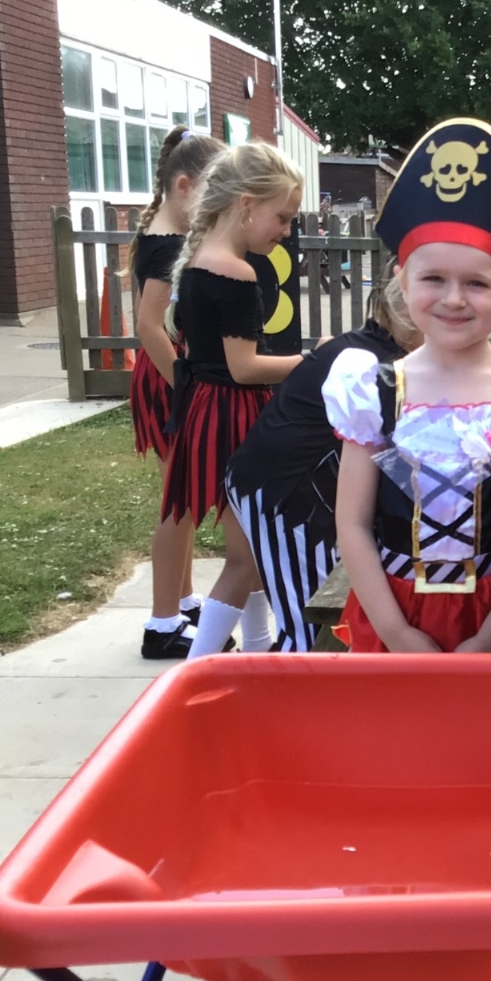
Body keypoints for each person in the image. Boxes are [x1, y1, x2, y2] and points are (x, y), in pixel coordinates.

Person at [323, 117, 491, 654]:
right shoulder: (372, 391)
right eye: (433, 279)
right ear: (402, 283)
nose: (454, 299)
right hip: (394, 612)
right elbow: (352, 524)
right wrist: (397, 633)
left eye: (477, 282)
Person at [159, 141, 307, 659]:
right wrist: (315, 360)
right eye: (282, 217)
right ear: (246, 204)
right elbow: (244, 367)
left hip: (205, 411)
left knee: (254, 547)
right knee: (246, 557)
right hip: (232, 417)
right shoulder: (237, 272)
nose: (286, 230)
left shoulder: (200, 260)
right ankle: (197, 671)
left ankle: (259, 650)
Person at [224, 264, 418, 652]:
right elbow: (392, 461)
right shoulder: (369, 365)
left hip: (302, 488)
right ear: (405, 311)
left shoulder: (381, 351)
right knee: (309, 630)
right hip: (283, 494)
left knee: (328, 623)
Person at [127, 125, 225, 658]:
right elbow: (148, 326)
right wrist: (184, 388)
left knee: (184, 497)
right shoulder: (167, 246)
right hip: (170, 378)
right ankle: (162, 623)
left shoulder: (164, 236)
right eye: (212, 196)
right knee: (178, 502)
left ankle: (183, 601)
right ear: (184, 186)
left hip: (169, 374)